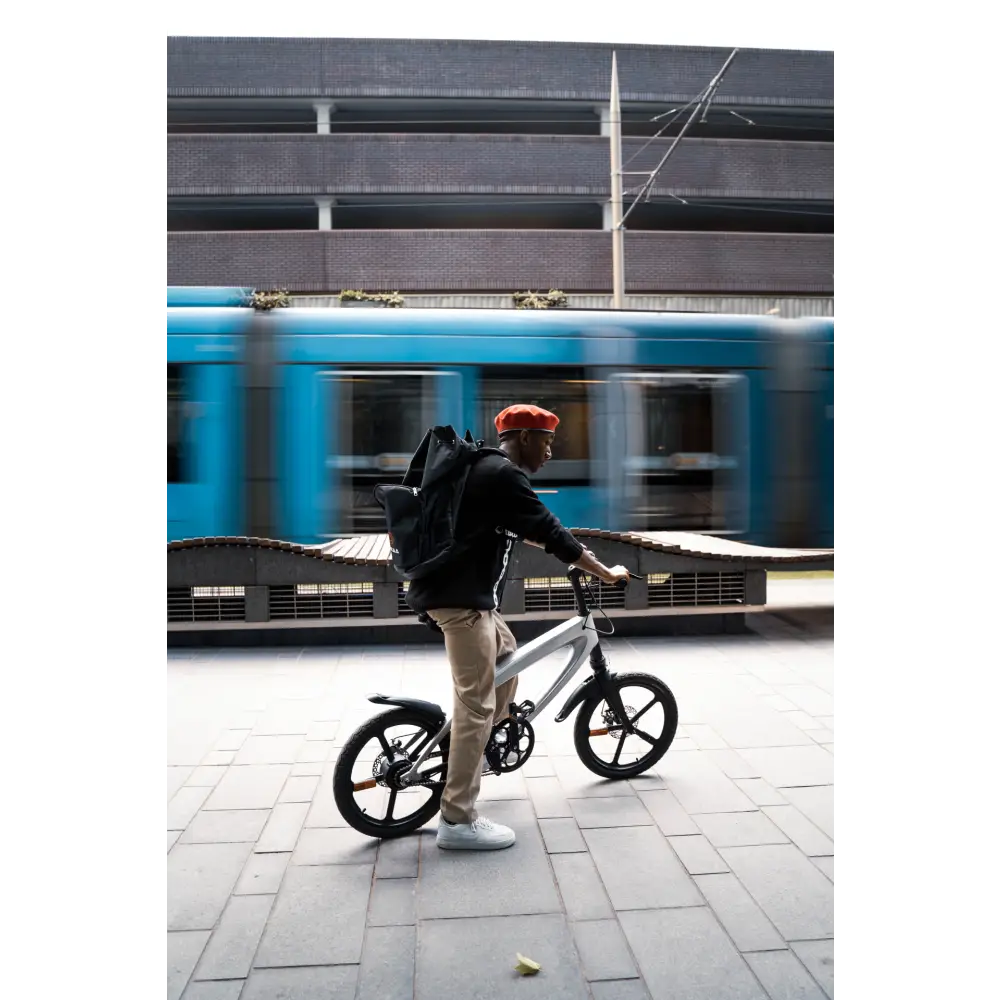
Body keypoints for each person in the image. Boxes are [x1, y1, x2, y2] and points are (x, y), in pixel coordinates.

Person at [405, 403, 630, 850]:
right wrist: (606, 573)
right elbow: (551, 529)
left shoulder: (484, 468)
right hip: (460, 602)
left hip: (466, 597)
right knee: (475, 706)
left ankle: (482, 749)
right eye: (546, 443)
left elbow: (510, 524)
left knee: (507, 655)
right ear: (525, 438)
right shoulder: (504, 474)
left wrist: (544, 540)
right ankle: (457, 820)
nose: (549, 453)